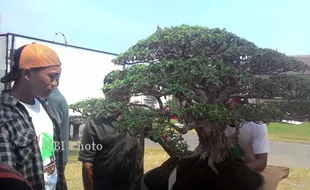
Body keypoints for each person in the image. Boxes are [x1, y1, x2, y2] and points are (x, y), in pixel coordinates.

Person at [0, 43, 67, 190]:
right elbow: (8, 181)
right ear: (27, 74)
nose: (55, 83)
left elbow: (56, 166)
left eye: (57, 77)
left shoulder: (46, 108)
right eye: (51, 76)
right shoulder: (4, 115)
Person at [78, 111, 144, 190]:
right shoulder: (93, 123)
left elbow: (159, 135)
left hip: (135, 186)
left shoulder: (138, 118)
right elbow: (87, 164)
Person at [225, 95, 269, 172]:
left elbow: (262, 162)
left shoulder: (257, 125)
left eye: (237, 101)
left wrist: (236, 170)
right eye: (230, 101)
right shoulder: (214, 123)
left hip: (248, 168)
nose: (233, 104)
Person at [47, 76, 70, 168]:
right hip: (58, 154)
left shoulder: (52, 98)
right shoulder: (56, 96)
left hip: (54, 157)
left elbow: (53, 128)